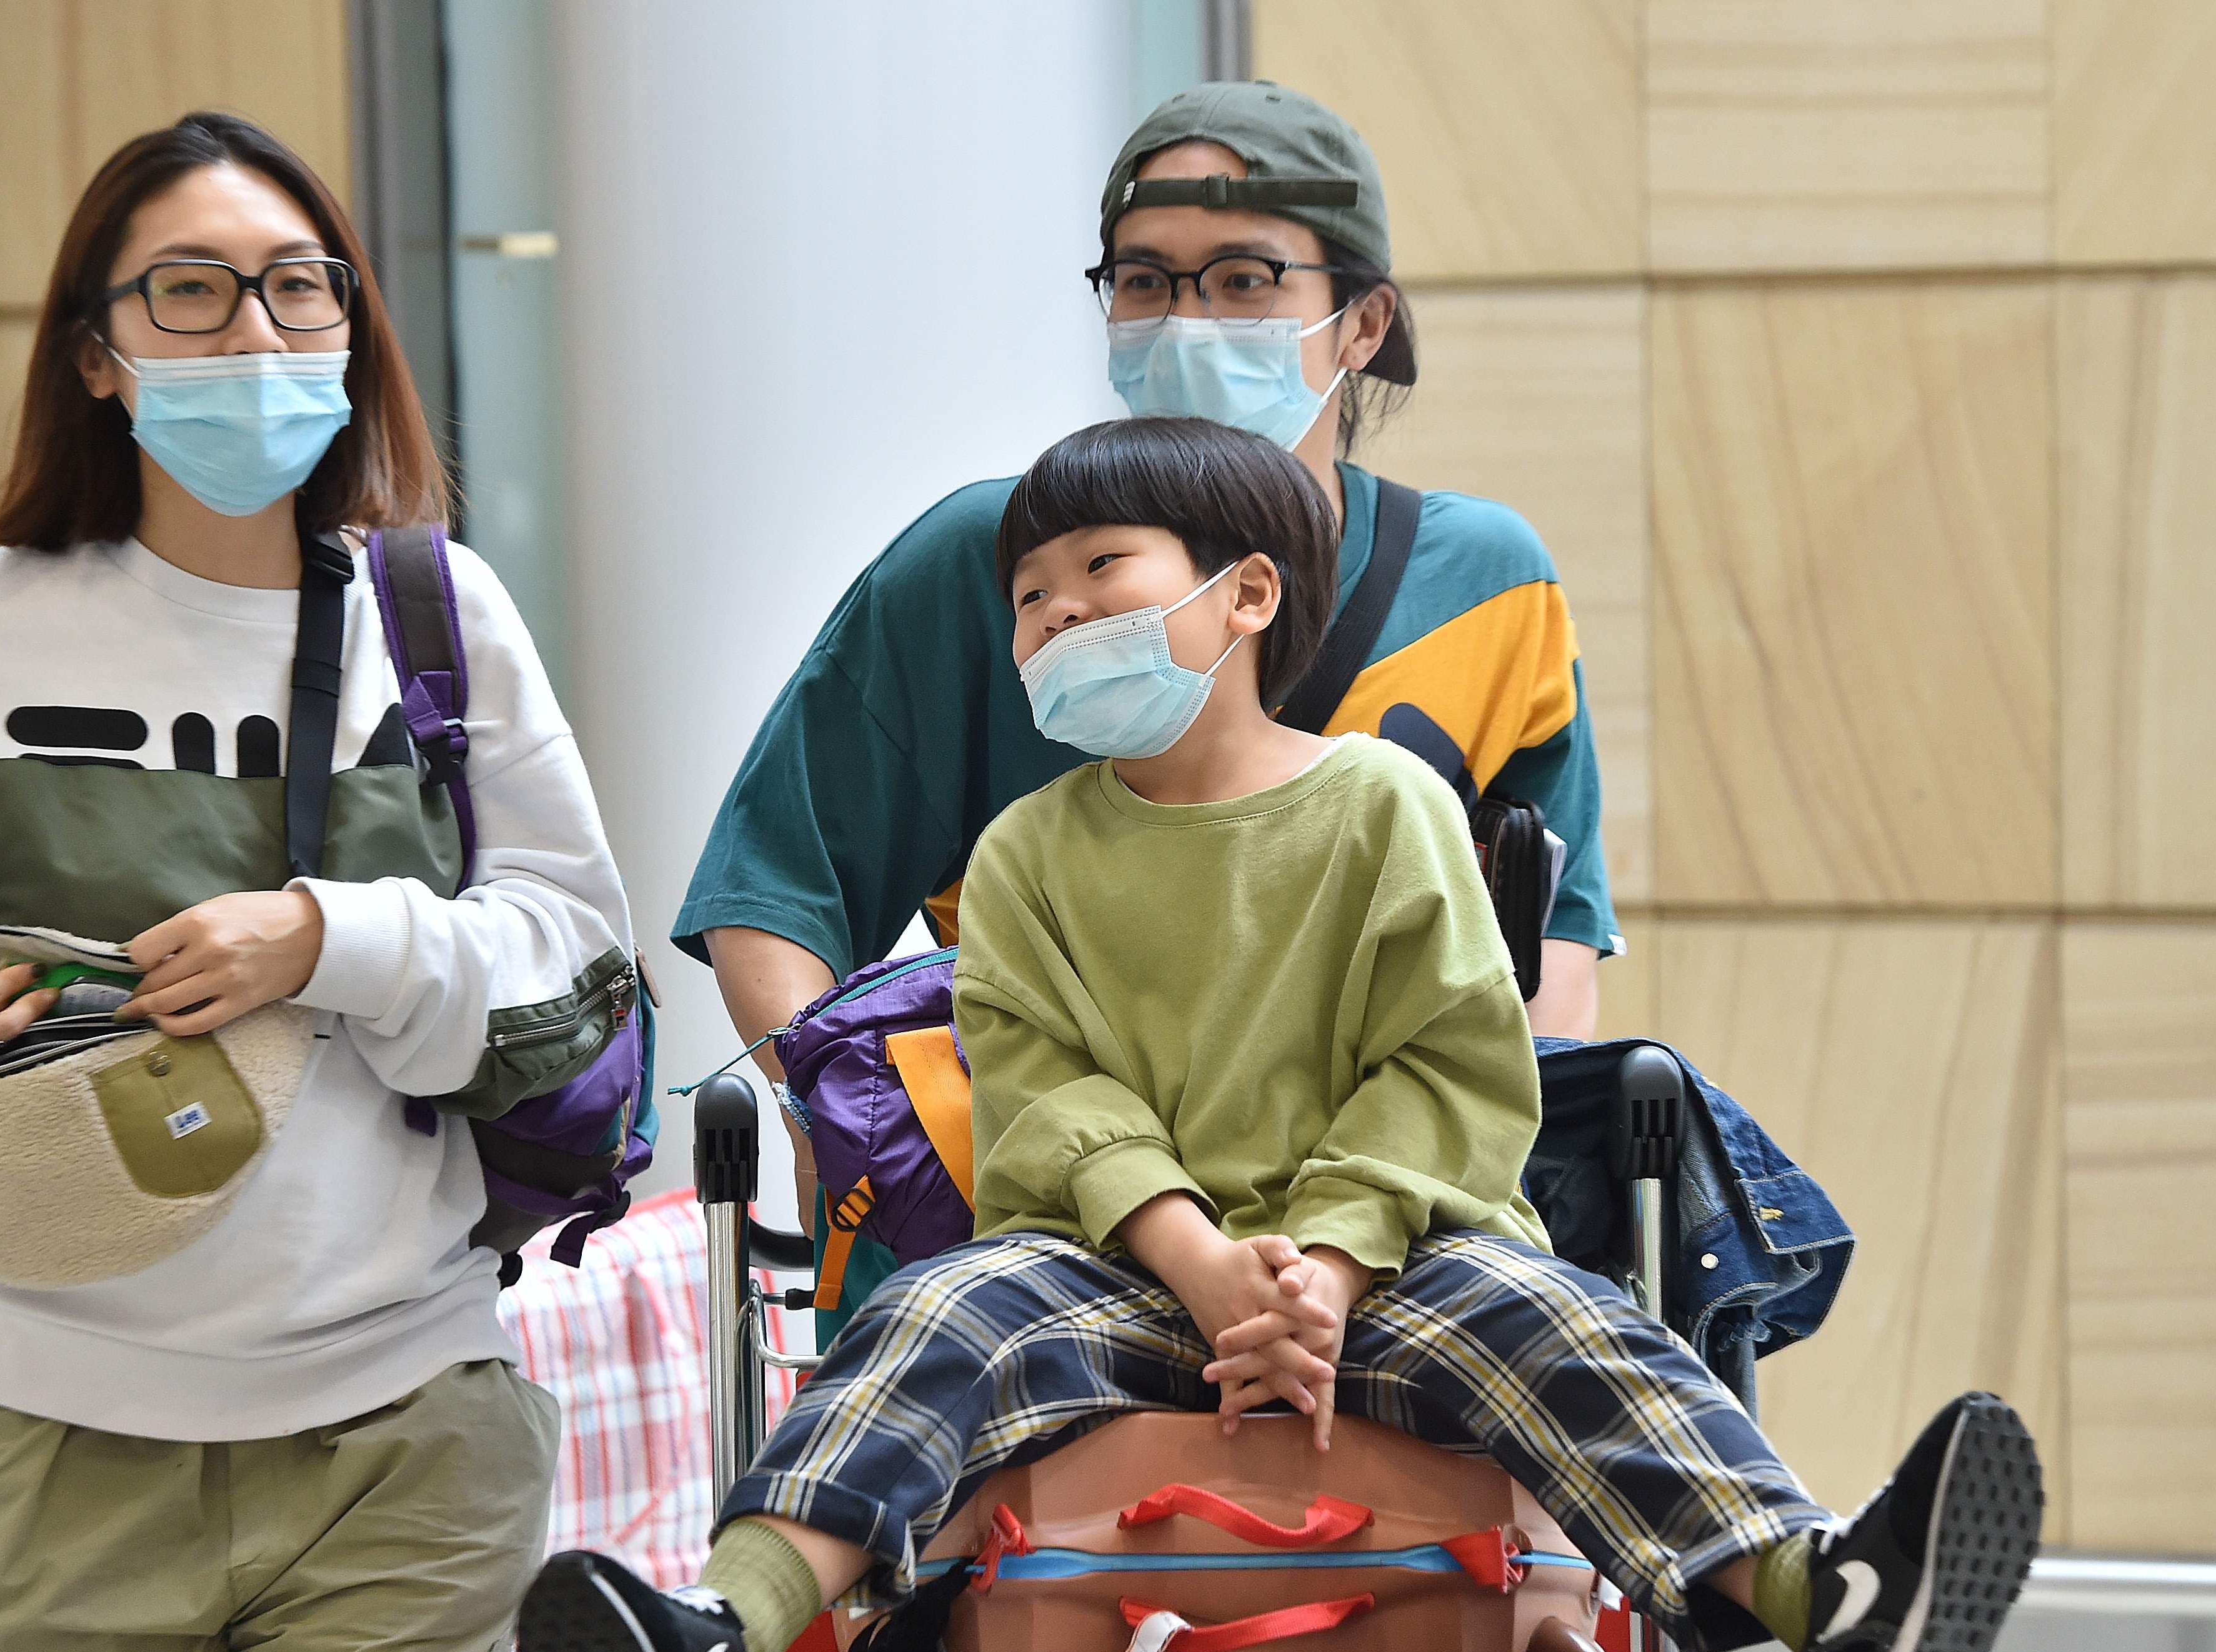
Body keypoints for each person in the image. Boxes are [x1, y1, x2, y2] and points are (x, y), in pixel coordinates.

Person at [518, 419, 2044, 1652]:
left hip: (1390, 1269)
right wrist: (1201, 1266)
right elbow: (1048, 1098)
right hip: (1117, 1271)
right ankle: (717, 1649)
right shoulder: (1026, 854)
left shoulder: (1383, 806)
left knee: (1563, 1325)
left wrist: (1323, 1262)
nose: (1051, 616)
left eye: (1096, 572)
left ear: (1245, 593)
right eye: (1028, 595)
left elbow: (1447, 1062)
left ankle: (1824, 1604)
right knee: (936, 1318)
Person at [0, 112, 632, 1652]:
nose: (255, 337)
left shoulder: (438, 617)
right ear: (101, 356)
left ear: (354, 332)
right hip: (27, 1446)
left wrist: (333, 936)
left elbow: (573, 943)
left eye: (298, 291)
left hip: (398, 1429)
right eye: (194, 295)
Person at [682, 81, 1624, 1229]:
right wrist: (863, 1130)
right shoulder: (981, 568)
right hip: (1044, 1216)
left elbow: (1549, 954)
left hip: (1394, 1227)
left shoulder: (1488, 583)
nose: (1183, 318)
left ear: (1363, 324)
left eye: (1243, 279)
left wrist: (1410, 1212)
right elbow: (776, 893)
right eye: (1141, 281)